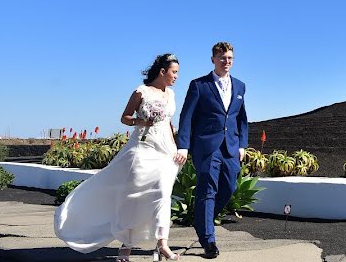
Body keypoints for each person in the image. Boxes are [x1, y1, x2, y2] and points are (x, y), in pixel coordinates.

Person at [54, 53, 183, 262]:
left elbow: (168, 122)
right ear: (162, 71)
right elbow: (124, 117)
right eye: (174, 72)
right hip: (143, 147)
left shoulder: (171, 95)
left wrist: (176, 148)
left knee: (163, 193)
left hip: (165, 150)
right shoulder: (141, 92)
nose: (176, 76)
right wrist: (140, 122)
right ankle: (127, 244)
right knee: (134, 197)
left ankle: (162, 244)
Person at [174, 41, 248, 259]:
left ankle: (201, 221)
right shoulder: (199, 85)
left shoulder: (241, 86)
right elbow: (186, 117)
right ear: (213, 59)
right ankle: (208, 240)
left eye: (230, 59)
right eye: (223, 58)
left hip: (231, 148)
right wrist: (184, 146)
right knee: (207, 190)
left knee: (229, 186)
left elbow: (242, 118)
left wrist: (242, 144)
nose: (227, 62)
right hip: (206, 147)